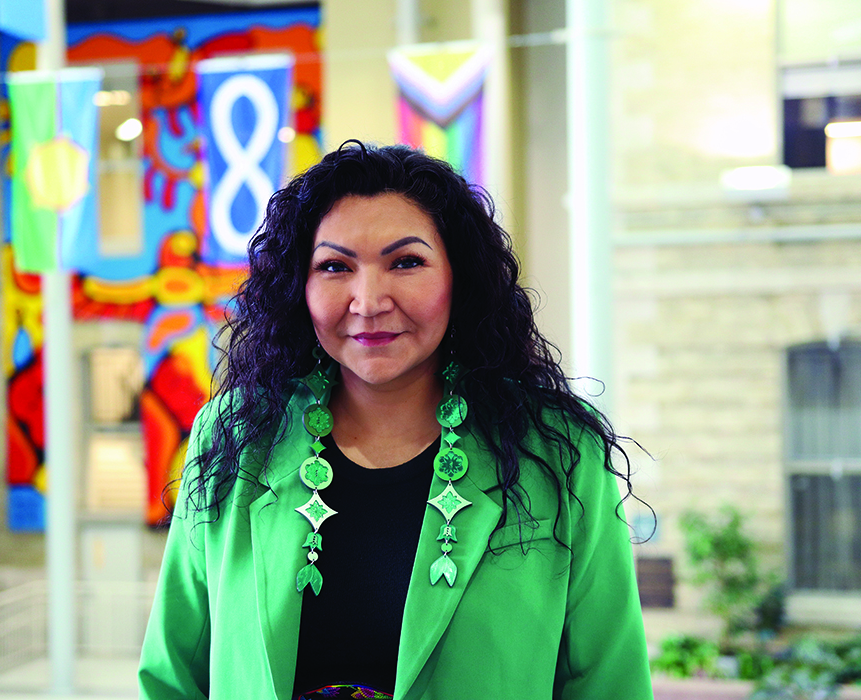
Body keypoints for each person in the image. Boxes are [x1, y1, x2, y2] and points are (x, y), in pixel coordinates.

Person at [138, 142, 654, 700]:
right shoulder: (237, 435)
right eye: (335, 266)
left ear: (460, 277)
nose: (368, 300)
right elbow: (173, 676)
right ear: (298, 288)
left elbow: (609, 683)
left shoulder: (556, 451)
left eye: (406, 262)